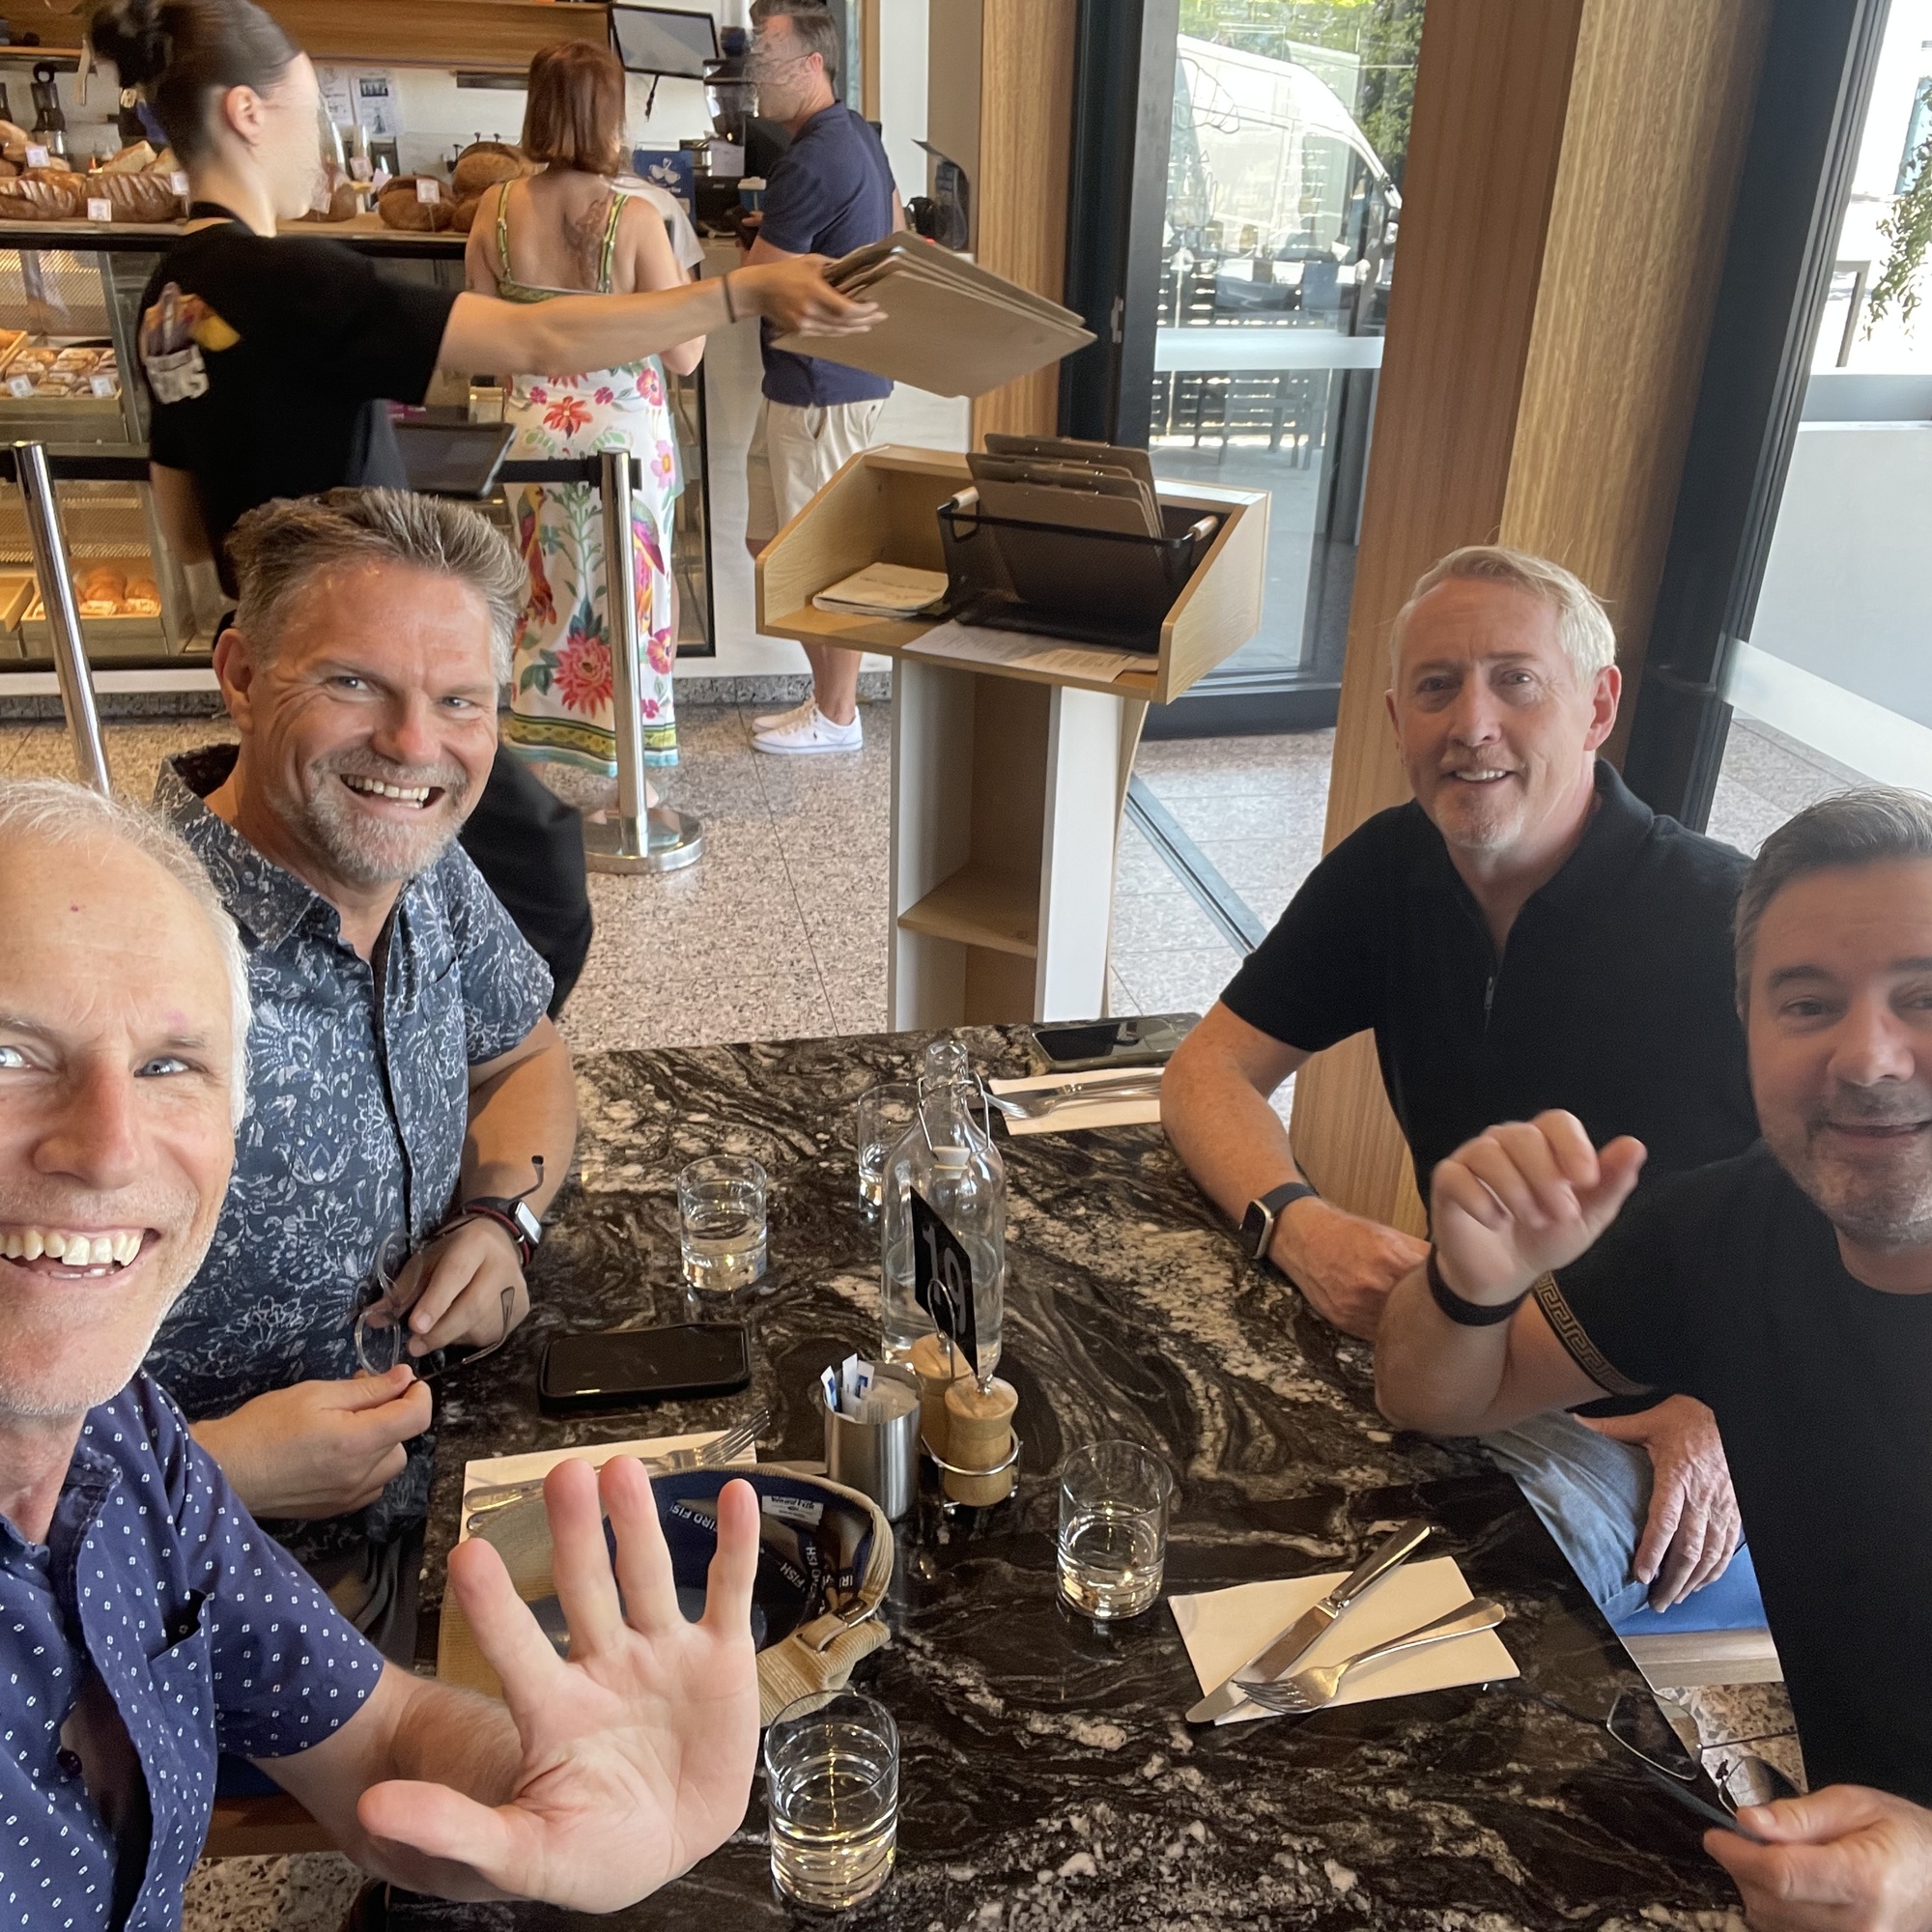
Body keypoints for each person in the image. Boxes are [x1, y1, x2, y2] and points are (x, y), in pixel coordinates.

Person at [0, 775, 761, 1926]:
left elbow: (378, 1736)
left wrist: (542, 1790)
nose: (110, 1147)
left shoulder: (123, 1441)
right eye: (12, 1054)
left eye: (168, 1065)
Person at [89, 0, 875, 1004]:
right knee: (543, 887)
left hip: (273, 660)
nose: (317, 139)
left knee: (351, 899)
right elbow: (542, 339)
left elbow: (186, 530)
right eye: (306, 109)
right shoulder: (292, 279)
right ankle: (465, 1072)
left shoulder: (171, 291)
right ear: (247, 112)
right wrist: (741, 293)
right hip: (372, 652)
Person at [1160, 546, 1761, 1620]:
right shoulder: (1390, 869)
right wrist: (1295, 1222)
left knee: (1428, 1621)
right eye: (1437, 687)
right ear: (1399, 721)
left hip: (1653, 1420)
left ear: (1597, 707)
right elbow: (1208, 1070)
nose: (1471, 722)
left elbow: (1875, 1210)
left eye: (1515, 680)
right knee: (1190, 1504)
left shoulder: (1726, 921)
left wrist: (1733, 1408)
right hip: (1457, 1356)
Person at [1374, 786, 1932, 1929]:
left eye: (1922, 996)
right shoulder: (1734, 1226)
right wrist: (1467, 1284)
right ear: (1745, 1027)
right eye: (1806, 1002)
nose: (1867, 1057)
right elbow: (1436, 1393)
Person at [148, 489, 579, 1662]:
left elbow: (526, 1052)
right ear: (241, 674)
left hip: (443, 1498)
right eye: (353, 683)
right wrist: (213, 1466)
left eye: (459, 701)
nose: (412, 745)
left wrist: (501, 1218)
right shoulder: (119, 951)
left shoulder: (420, 864)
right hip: (193, 1601)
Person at [469, 42, 700, 781]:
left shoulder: (494, 209)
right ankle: (635, 779)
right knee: (637, 599)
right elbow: (685, 353)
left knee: (545, 596)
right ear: (610, 116)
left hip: (535, 436)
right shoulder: (636, 218)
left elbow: (488, 345)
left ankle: (539, 767)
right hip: (623, 440)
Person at [739, 0, 901, 756]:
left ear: (811, 64)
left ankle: (838, 716)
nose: (756, 78)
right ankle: (831, 699)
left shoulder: (808, 160)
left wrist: (771, 248)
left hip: (821, 387)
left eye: (767, 62)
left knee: (817, 561)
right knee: (768, 541)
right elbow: (894, 226)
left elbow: (755, 287)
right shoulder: (856, 134)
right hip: (819, 382)